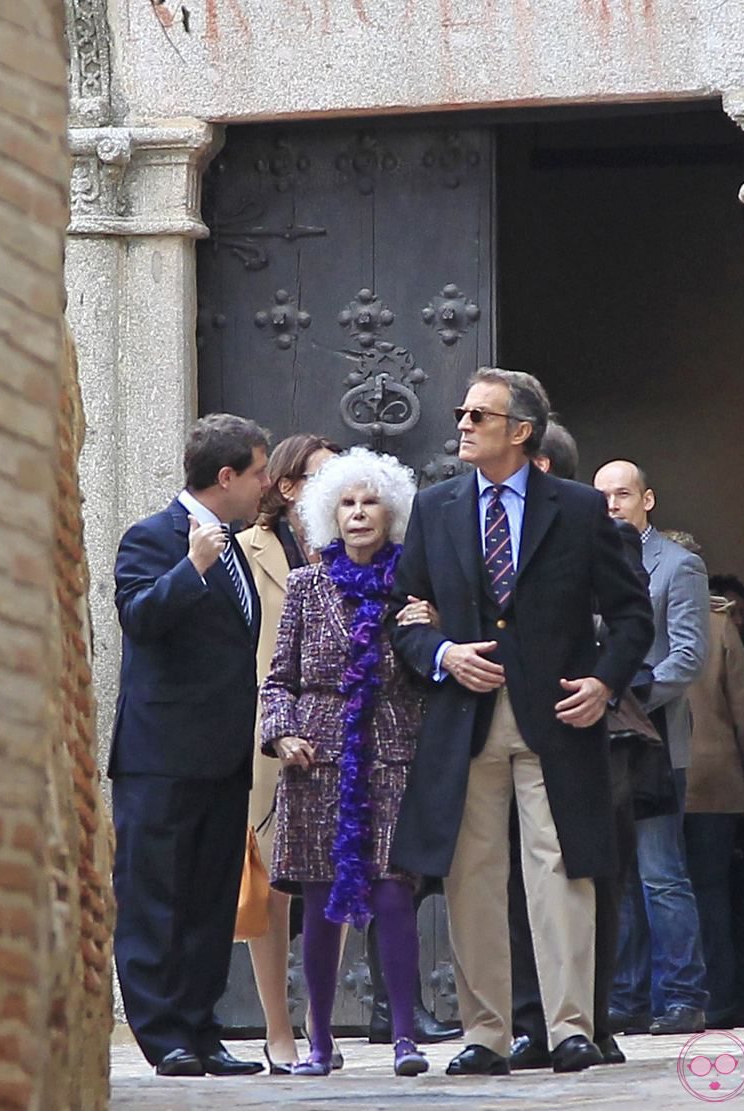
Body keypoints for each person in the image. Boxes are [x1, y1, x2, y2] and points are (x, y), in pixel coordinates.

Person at [390, 369, 654, 1076]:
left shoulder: (575, 508)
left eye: (480, 413)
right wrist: (442, 652)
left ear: (521, 429)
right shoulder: (435, 507)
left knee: (561, 867)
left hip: (560, 715)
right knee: (472, 876)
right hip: (465, 721)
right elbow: (401, 612)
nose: (464, 423)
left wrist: (604, 681)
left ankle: (572, 1026)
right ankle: (486, 1033)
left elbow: (632, 615)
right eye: (463, 412)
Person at [260, 447, 431, 1078]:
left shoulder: (413, 588)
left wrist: (429, 627)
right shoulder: (307, 588)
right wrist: (281, 736)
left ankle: (406, 1038)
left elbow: (429, 673)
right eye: (348, 504)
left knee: (392, 892)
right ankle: (321, 1044)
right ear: (331, 515)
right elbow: (279, 680)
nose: (359, 514)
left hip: (391, 752)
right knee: (323, 899)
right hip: (317, 759)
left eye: (371, 502)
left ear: (393, 513)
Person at [110, 413, 271, 1077]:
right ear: (226, 475)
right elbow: (141, 618)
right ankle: (164, 1034)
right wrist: (192, 567)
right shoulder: (152, 537)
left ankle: (203, 1029)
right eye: (259, 472)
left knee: (209, 900)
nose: (266, 485)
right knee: (157, 899)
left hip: (224, 755)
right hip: (161, 756)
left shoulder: (237, 543)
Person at [508, 423, 651, 1072]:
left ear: (539, 463)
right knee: (519, 879)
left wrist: (589, 665)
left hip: (589, 728)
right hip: (511, 725)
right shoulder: (489, 535)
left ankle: (591, 1016)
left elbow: (627, 617)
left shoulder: (599, 528)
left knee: (591, 869)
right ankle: (529, 1020)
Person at [593, 460, 710, 1037]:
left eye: (623, 493)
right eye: (604, 495)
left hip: (658, 742)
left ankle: (685, 996)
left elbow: (687, 657)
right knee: (614, 876)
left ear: (648, 499)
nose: (613, 503)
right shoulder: (587, 563)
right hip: (600, 743)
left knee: (661, 874)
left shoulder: (679, 566)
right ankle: (625, 998)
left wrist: (625, 694)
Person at [236, 432, 339, 1073]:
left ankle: (319, 1019)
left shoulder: (358, 550)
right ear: (288, 485)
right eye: (324, 474)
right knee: (271, 884)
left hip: (334, 733)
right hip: (264, 728)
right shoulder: (245, 551)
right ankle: (278, 1027)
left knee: (334, 878)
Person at [684, 588, 744, 1028]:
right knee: (710, 895)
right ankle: (719, 1000)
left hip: (647, 777)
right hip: (715, 778)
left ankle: (660, 999)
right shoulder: (718, 626)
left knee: (646, 891)